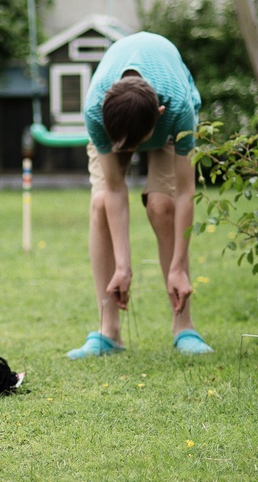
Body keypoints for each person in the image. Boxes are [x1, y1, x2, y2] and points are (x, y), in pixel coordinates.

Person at [67, 32, 214, 359]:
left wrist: (179, 267)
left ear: (160, 113)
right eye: (127, 147)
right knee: (100, 203)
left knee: (163, 206)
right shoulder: (96, 109)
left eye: (136, 144)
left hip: (167, 127)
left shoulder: (178, 109)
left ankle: (184, 326)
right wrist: (123, 266)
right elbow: (116, 190)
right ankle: (109, 331)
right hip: (117, 127)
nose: (132, 153)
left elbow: (186, 193)